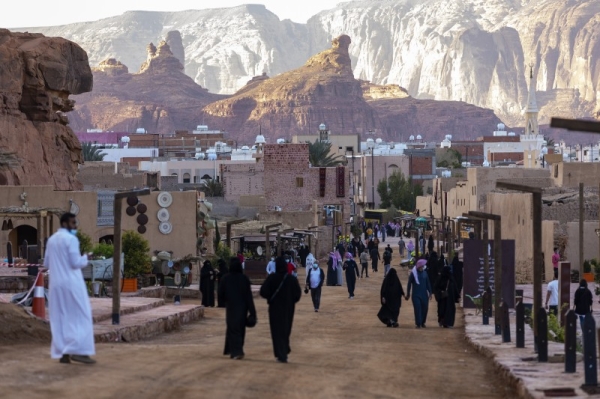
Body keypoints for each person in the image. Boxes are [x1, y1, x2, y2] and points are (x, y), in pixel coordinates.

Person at [42, 212, 95, 364]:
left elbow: (46, 263)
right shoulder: (71, 239)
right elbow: (75, 263)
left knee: (60, 318)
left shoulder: (51, 240)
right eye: (73, 223)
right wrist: (86, 257)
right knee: (81, 316)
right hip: (72, 284)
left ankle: (64, 352)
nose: (75, 226)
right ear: (65, 224)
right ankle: (80, 351)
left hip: (56, 285)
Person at [260, 257, 302, 363]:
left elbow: (263, 292)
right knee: (286, 329)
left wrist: (270, 298)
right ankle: (284, 349)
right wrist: (291, 301)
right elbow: (297, 294)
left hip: (274, 309)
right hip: (288, 308)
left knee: (276, 331)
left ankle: (281, 353)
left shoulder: (272, 278)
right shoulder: (291, 279)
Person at [218, 257, 257, 360]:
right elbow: (249, 297)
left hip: (231, 307)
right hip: (243, 308)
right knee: (240, 329)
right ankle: (236, 350)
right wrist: (252, 312)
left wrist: (224, 302)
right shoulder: (244, 279)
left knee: (232, 329)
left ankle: (236, 351)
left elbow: (220, 293)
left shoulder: (225, 278)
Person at [406, 259, 432, 328]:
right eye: (421, 266)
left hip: (424, 295)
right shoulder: (413, 274)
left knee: (425, 308)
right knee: (417, 309)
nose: (422, 267)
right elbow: (409, 284)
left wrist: (430, 292)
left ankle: (423, 322)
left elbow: (428, 283)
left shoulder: (425, 273)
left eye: (423, 266)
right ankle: (418, 323)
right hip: (416, 295)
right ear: (418, 266)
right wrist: (408, 293)